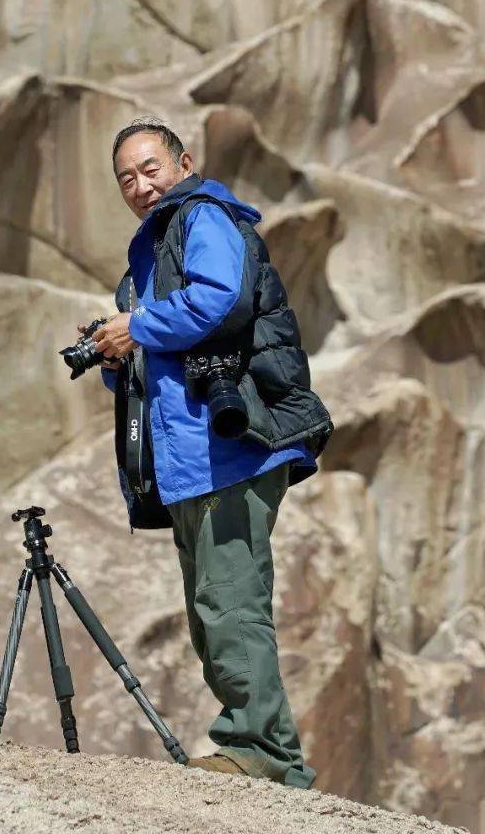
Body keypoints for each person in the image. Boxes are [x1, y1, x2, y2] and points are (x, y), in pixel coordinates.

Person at [84, 117, 332, 787]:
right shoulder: (155, 249)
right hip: (190, 458)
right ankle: (263, 750)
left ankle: (261, 752)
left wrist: (137, 326)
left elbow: (220, 299)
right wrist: (115, 351)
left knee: (231, 603)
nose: (140, 185)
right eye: (126, 178)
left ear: (183, 161)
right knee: (212, 607)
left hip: (231, 447)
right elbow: (159, 362)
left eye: (150, 168)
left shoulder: (203, 218)